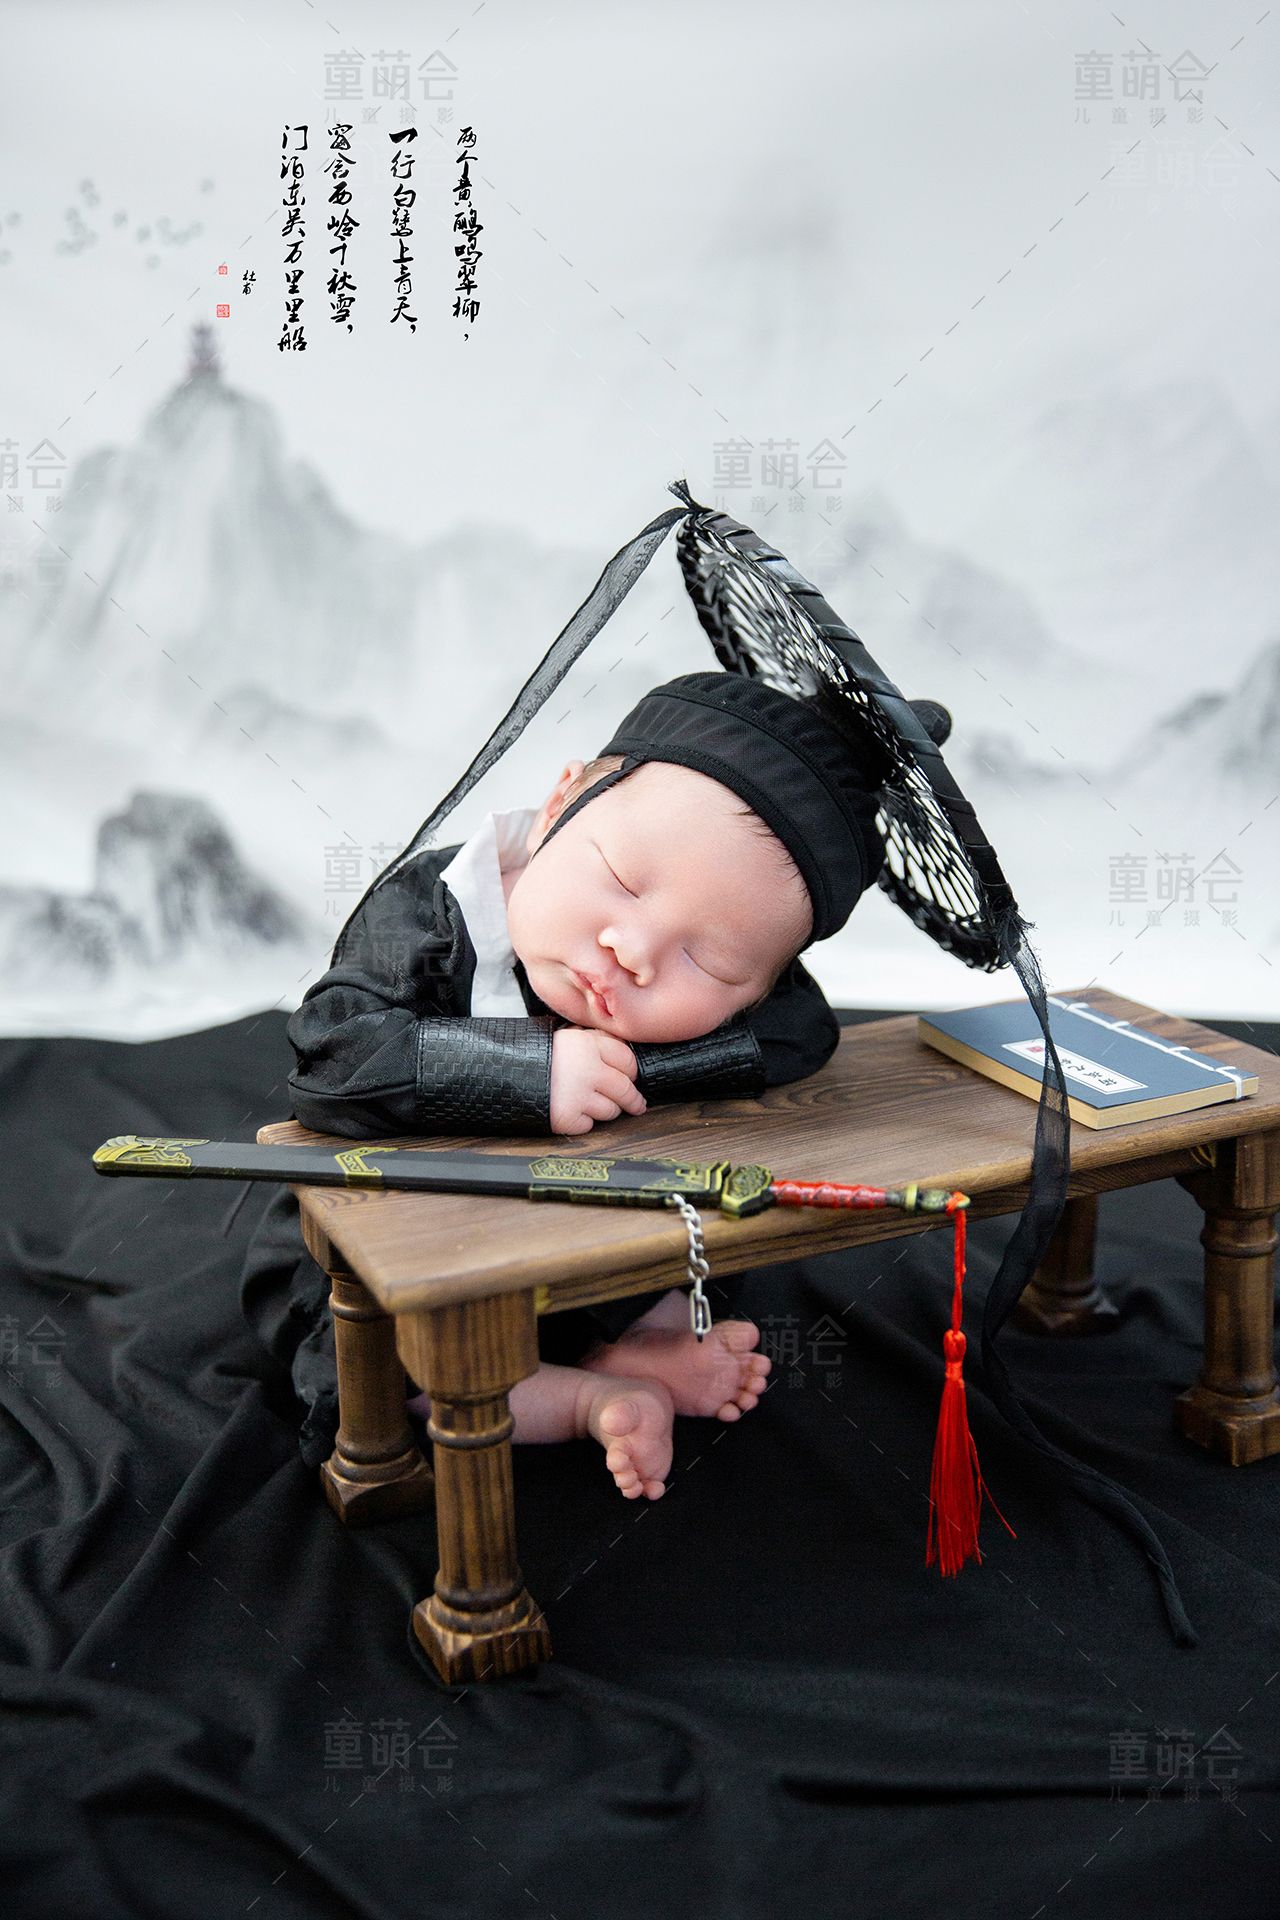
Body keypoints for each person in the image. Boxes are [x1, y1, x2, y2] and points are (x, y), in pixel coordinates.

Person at [240, 671, 913, 1503]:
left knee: (696, 1228)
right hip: (405, 1222)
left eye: (707, 961)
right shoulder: (432, 911)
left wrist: (639, 1068)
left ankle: (640, 1340)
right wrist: (529, 1069)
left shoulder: (747, 999)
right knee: (389, 1358)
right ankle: (581, 1399)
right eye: (624, 881)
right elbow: (332, 1054)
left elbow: (805, 1031)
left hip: (574, 1231)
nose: (634, 952)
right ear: (562, 803)